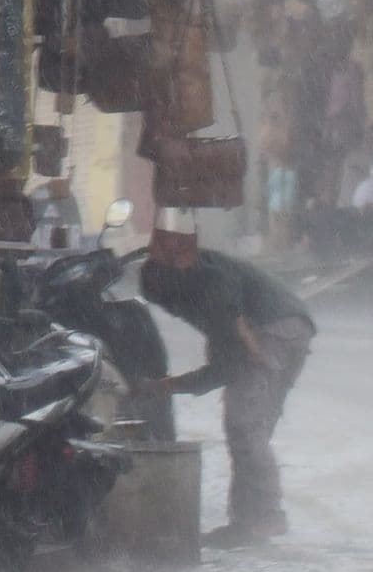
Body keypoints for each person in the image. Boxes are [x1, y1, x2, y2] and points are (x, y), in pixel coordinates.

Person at [137, 221, 319, 547]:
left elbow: (230, 340)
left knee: (244, 424)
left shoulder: (207, 282)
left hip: (273, 329)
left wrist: (249, 340)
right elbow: (224, 368)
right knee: (248, 427)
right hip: (293, 328)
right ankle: (247, 522)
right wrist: (170, 385)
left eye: (166, 302)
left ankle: (265, 516)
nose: (172, 311)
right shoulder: (207, 283)